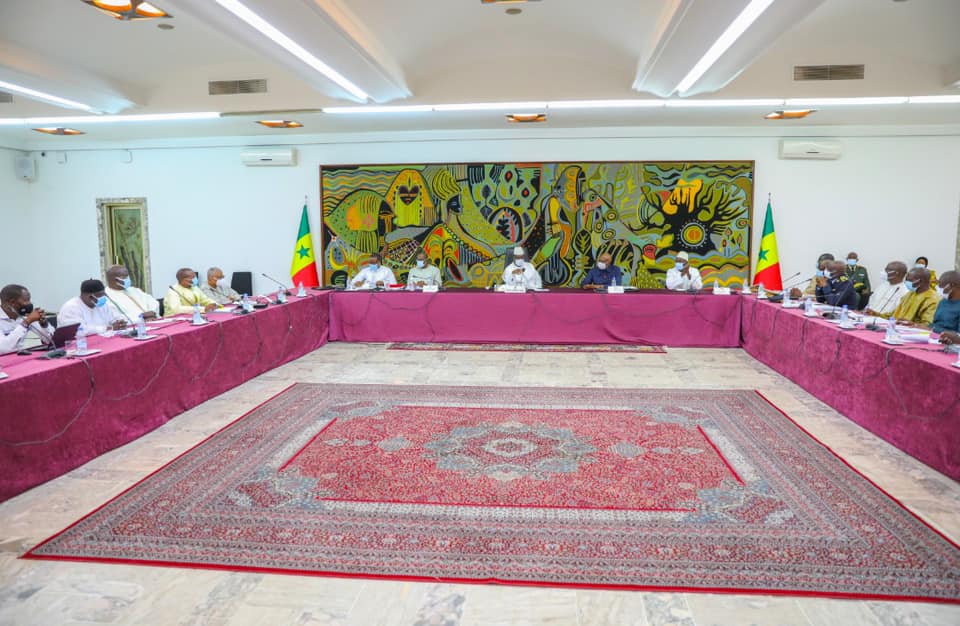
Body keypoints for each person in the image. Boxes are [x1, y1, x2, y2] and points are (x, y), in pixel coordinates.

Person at [57, 279, 127, 334]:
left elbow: (115, 317)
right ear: (89, 296)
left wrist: (120, 323)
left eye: (104, 294)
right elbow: (79, 330)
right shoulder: (71, 307)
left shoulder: (102, 304)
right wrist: (108, 328)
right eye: (100, 295)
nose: (103, 297)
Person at [0, 284, 54, 354]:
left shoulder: (24, 315)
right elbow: (3, 349)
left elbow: (50, 341)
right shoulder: (27, 319)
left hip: (21, 357)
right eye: (26, 300)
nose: (29, 304)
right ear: (12, 302)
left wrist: (44, 325)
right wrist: (26, 322)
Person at [931, 270, 960, 336]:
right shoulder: (943, 302)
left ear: (952, 285)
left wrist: (933, 329)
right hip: (934, 337)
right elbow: (935, 324)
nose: (938, 288)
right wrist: (917, 325)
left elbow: (958, 335)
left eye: (941, 285)